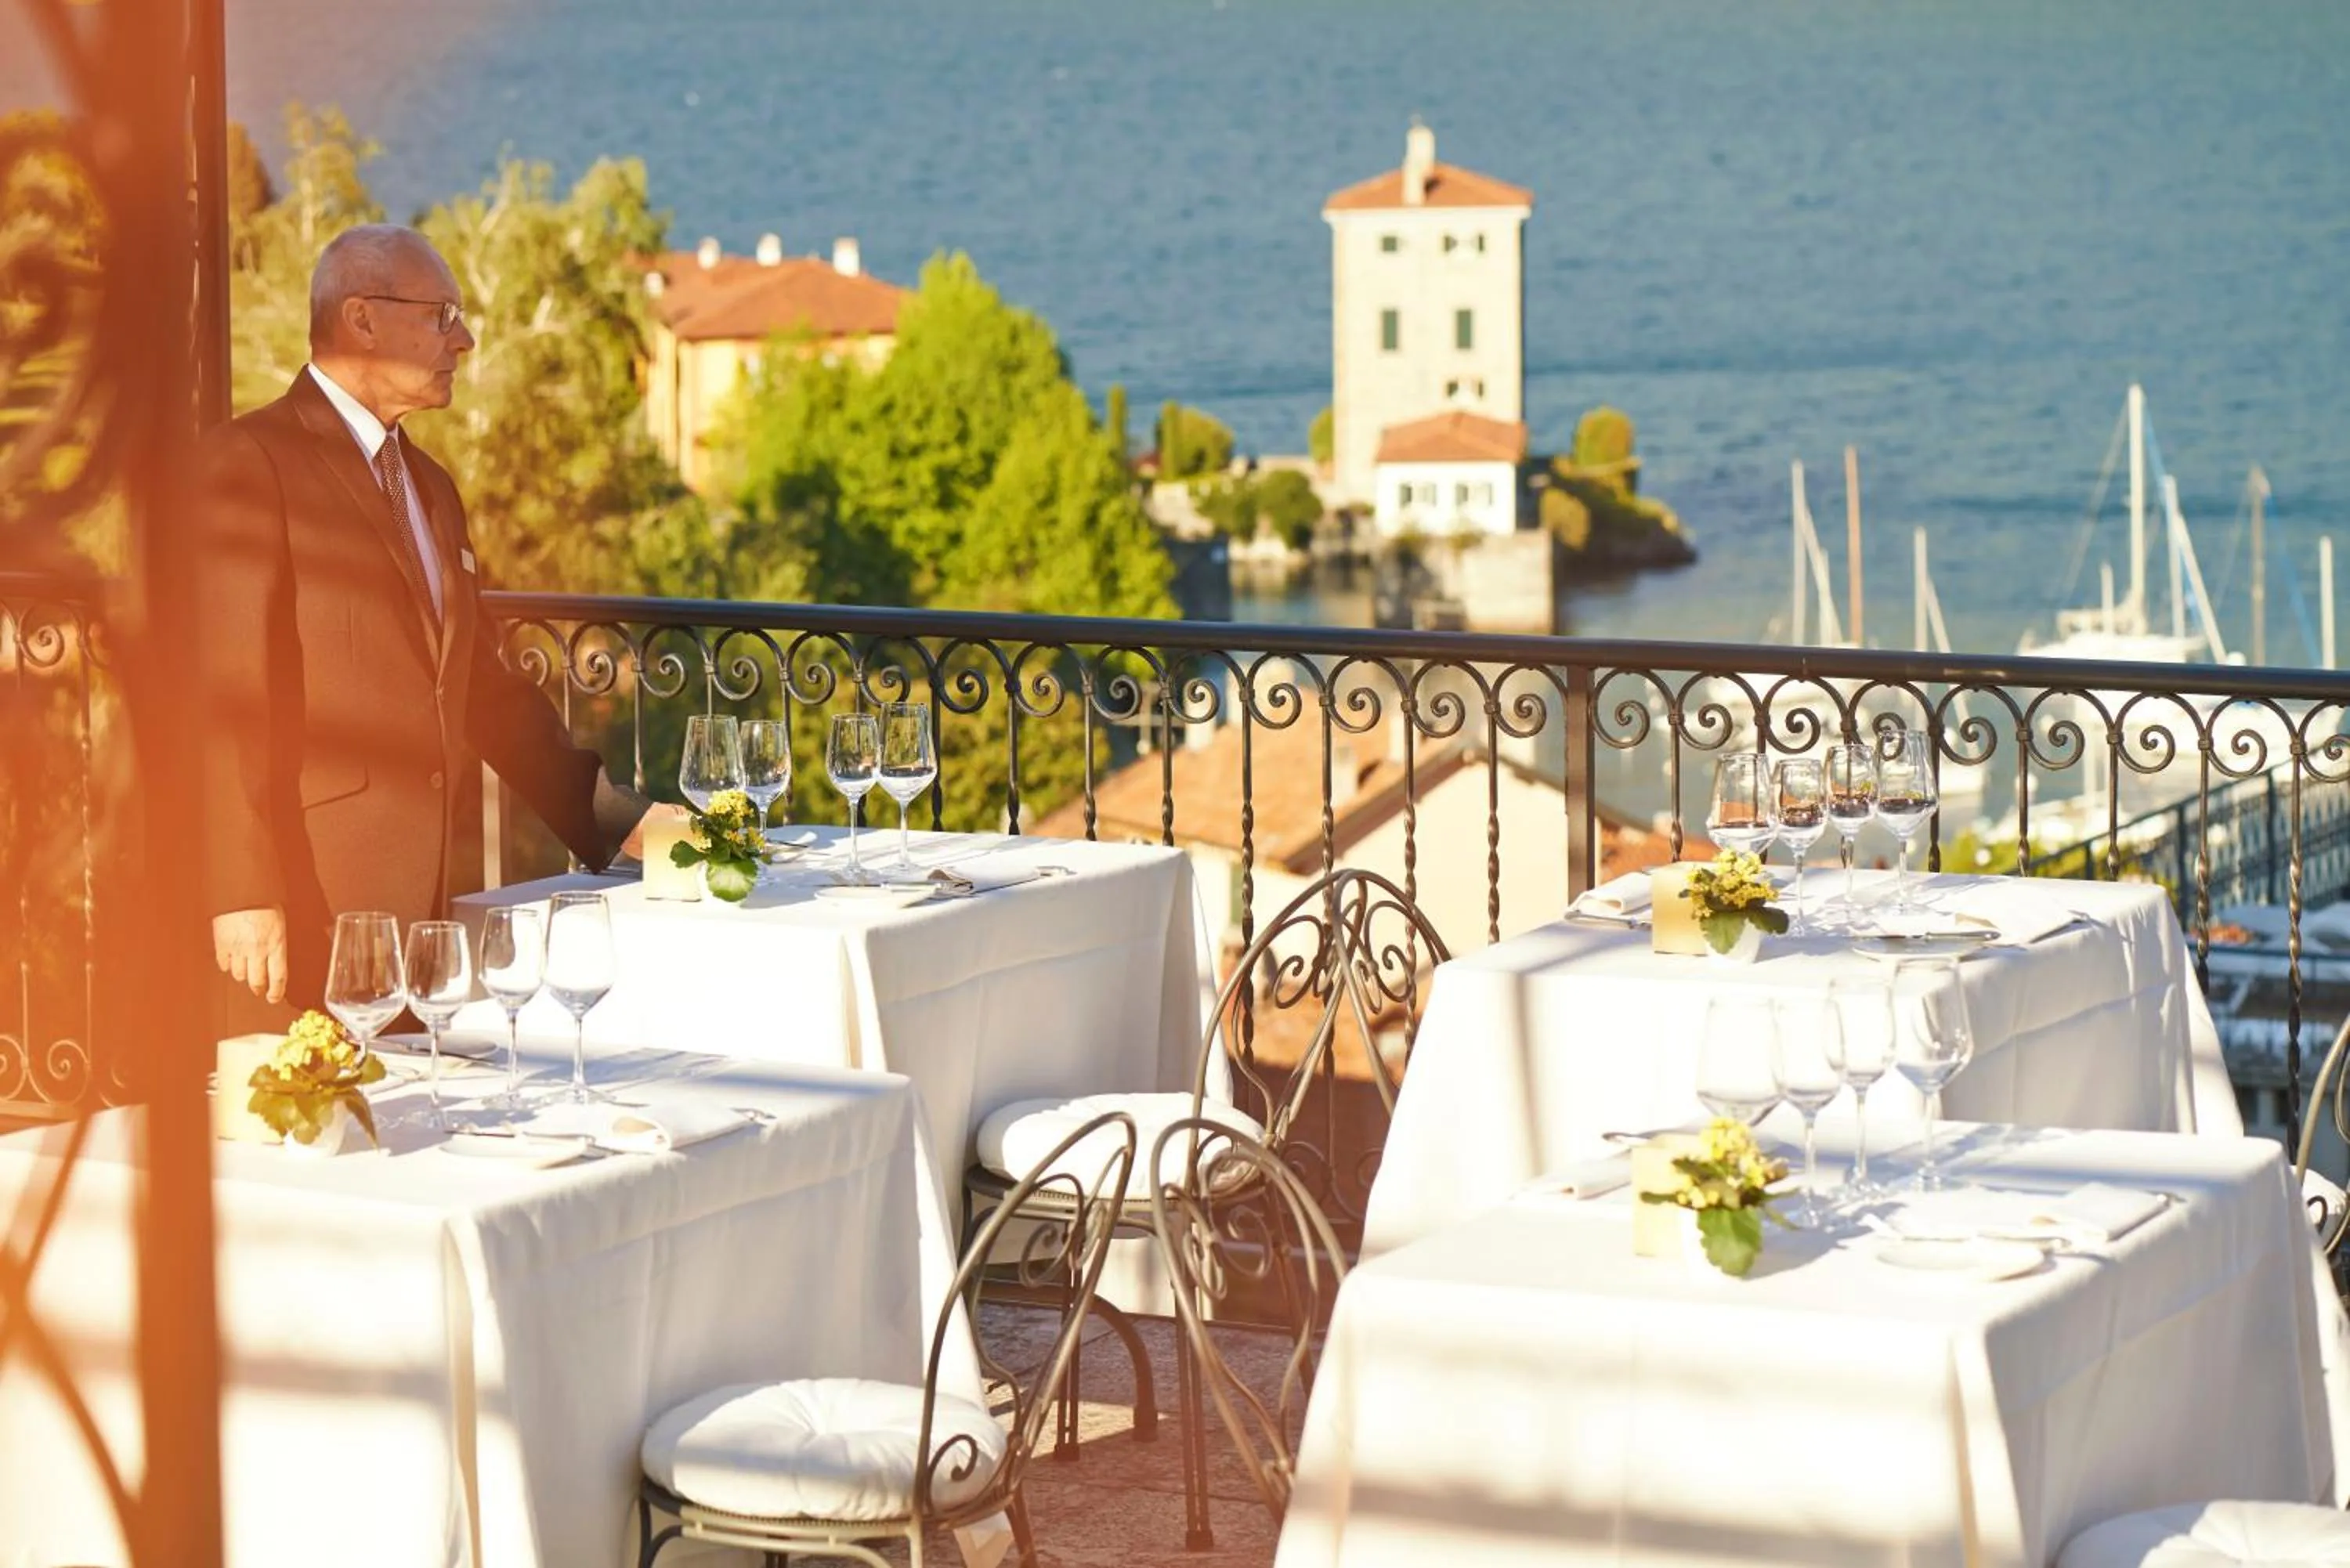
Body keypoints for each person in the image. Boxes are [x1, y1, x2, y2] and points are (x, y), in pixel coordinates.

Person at [197, 223, 685, 1032]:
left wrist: (618, 820)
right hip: (301, 914)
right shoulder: (248, 466)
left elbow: (481, 689)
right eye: (442, 316)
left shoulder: (428, 486)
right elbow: (223, 695)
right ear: (361, 319)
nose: (464, 339)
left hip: (420, 925)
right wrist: (241, 890)